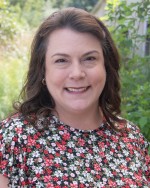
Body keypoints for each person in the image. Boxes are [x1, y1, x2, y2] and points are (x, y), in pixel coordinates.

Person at [0, 7, 149, 188]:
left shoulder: (130, 137)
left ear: (106, 67)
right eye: (61, 60)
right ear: (43, 72)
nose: (77, 73)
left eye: (89, 59)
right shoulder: (13, 138)